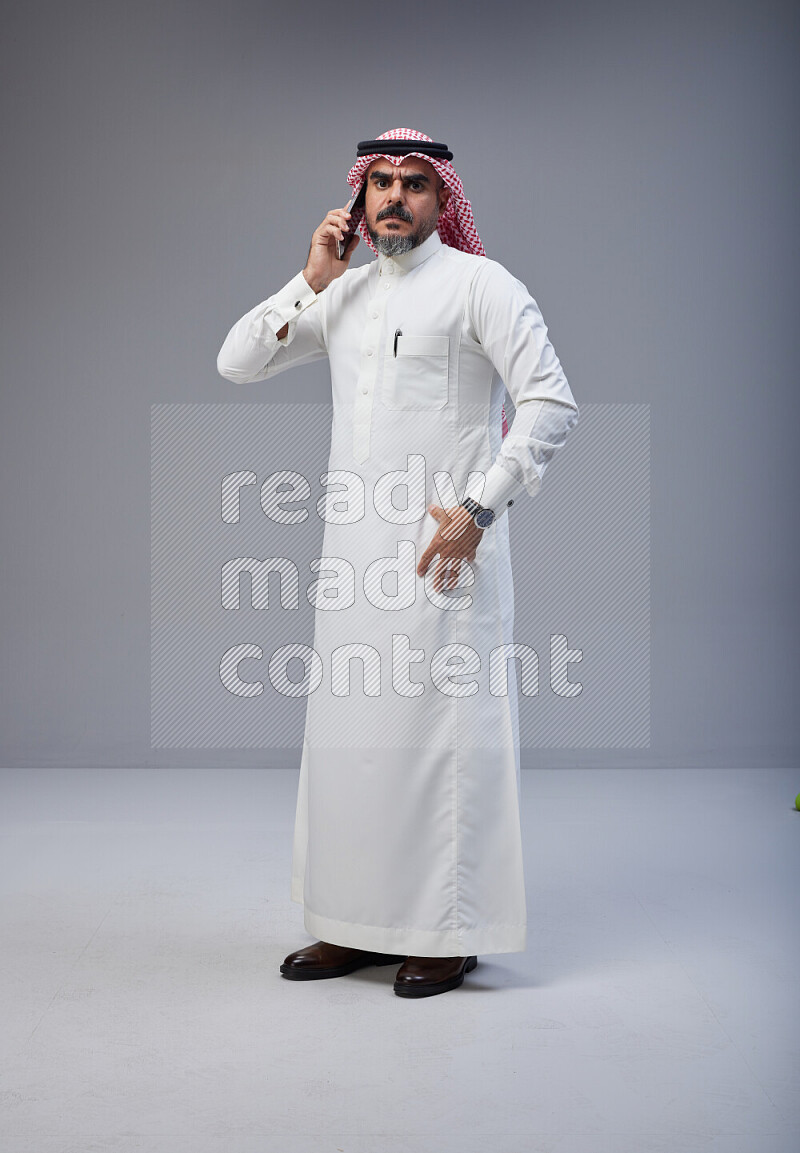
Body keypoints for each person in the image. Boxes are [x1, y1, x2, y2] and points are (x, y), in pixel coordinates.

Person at [217, 129, 579, 998]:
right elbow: (236, 362)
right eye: (380, 182)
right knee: (353, 747)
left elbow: (551, 402)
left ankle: (446, 933)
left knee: (438, 747)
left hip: (442, 561)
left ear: (441, 198)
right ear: (358, 194)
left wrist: (481, 509)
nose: (393, 199)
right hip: (352, 565)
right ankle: (353, 925)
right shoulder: (340, 296)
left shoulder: (481, 286)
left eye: (414, 184)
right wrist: (311, 276)